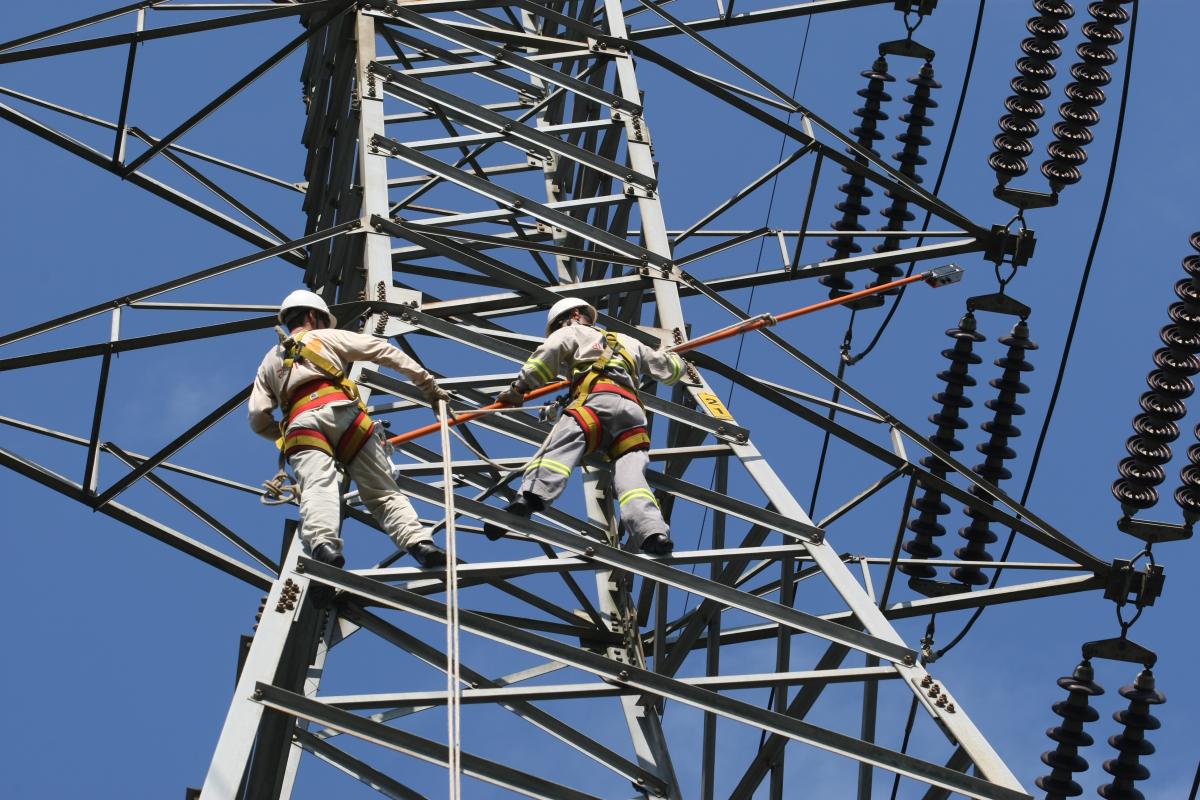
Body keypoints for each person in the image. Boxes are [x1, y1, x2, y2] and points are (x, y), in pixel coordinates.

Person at [249, 289, 450, 569]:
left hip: (302, 427)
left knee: (319, 487)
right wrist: (429, 386)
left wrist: (288, 432)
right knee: (382, 493)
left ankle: (323, 547)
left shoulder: (269, 361)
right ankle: (419, 544)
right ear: (312, 316)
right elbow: (382, 350)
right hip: (344, 416)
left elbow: (258, 416)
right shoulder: (324, 337)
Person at [483, 298, 687, 555]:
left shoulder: (571, 331)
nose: (558, 329)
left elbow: (546, 356)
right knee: (631, 476)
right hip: (631, 414)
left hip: (594, 403)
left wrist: (519, 389)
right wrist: (679, 361)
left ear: (574, 315)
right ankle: (652, 532)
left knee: (560, 446)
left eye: (558, 325)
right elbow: (669, 369)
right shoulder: (629, 341)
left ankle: (531, 497)